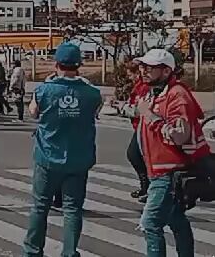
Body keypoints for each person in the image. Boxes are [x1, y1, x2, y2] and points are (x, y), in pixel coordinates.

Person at [22, 43, 102, 257]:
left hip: (47, 156)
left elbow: (33, 113)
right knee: (73, 209)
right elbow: (96, 111)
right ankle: (69, 252)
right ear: (80, 65)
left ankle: (32, 251)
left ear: (56, 64)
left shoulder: (44, 90)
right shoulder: (93, 94)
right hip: (78, 158)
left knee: (40, 206)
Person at [131, 49, 209, 257]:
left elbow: (179, 136)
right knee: (176, 219)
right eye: (141, 66)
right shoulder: (154, 92)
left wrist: (149, 115)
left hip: (169, 172)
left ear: (166, 71)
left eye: (149, 67)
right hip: (158, 170)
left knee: (150, 223)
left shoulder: (177, 95)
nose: (143, 71)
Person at [120, 59, 151, 202]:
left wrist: (123, 108)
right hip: (139, 126)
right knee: (137, 156)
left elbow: (139, 110)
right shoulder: (137, 87)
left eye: (131, 75)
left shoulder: (144, 88)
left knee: (134, 154)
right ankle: (146, 187)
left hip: (144, 126)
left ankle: (147, 187)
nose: (130, 78)